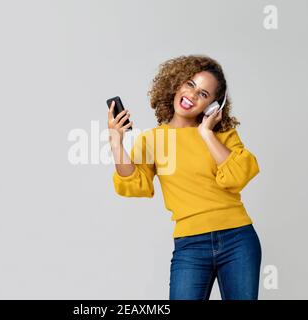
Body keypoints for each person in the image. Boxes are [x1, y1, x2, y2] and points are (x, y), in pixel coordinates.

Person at [107, 54, 261, 300]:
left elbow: (238, 175)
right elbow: (137, 184)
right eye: (190, 84)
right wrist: (117, 143)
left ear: (213, 106)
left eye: (203, 94)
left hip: (238, 239)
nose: (192, 95)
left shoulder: (224, 136)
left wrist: (207, 134)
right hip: (190, 244)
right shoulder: (152, 140)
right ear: (177, 83)